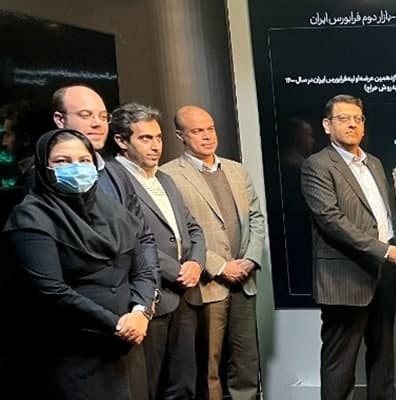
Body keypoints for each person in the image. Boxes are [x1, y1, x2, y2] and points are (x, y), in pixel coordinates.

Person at [3, 129, 156, 399]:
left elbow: (142, 270)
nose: (76, 167)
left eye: (84, 160)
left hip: (127, 348)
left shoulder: (113, 211)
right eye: (62, 161)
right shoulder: (31, 217)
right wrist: (118, 325)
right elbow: (52, 291)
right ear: (44, 167)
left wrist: (140, 312)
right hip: (74, 350)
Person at [301, 94, 396, 400]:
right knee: (340, 363)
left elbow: (385, 216)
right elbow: (331, 220)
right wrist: (385, 250)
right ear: (327, 125)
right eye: (343, 118)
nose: (352, 124)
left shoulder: (373, 163)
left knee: (383, 357)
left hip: (384, 273)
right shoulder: (317, 165)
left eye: (358, 118)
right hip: (345, 278)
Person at [160, 105, 266, 400]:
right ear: (180, 135)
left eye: (210, 129)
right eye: (197, 131)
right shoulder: (168, 175)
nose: (207, 136)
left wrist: (250, 259)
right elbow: (179, 233)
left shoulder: (236, 170)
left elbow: (256, 218)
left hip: (244, 280)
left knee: (246, 362)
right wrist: (219, 267)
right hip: (207, 284)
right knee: (209, 366)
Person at [111, 102, 206, 399]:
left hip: (185, 297)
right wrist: (176, 271)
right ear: (121, 141)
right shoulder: (114, 180)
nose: (155, 146)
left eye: (158, 137)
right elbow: (131, 240)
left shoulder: (164, 178)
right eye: (145, 138)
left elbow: (193, 228)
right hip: (149, 297)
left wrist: (196, 263)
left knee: (184, 384)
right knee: (148, 386)